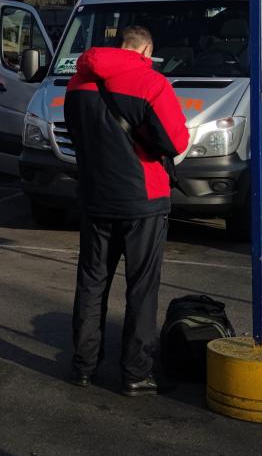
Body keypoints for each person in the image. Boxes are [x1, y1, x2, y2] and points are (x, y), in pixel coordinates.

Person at [64, 26, 189, 397]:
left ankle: (83, 367)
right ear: (146, 49)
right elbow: (175, 141)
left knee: (91, 282)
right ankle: (136, 373)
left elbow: (75, 133)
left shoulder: (77, 83)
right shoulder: (151, 83)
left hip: (95, 197)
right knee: (141, 288)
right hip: (142, 200)